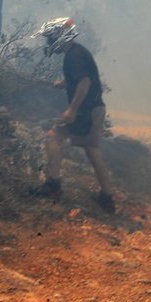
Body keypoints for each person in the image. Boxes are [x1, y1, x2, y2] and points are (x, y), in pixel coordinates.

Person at [31, 17, 115, 213]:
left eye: (51, 38)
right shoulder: (78, 52)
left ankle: (53, 185)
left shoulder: (73, 56)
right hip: (96, 110)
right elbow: (81, 79)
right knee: (92, 150)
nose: (50, 43)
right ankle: (107, 198)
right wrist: (66, 83)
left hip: (85, 112)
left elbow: (85, 82)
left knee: (53, 137)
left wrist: (72, 109)